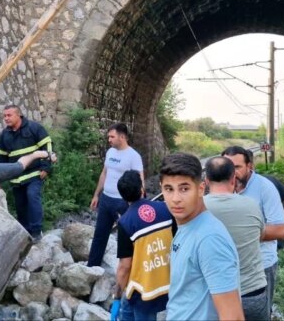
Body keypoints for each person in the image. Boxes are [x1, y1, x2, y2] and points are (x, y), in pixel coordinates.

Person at [160, 153, 245, 320]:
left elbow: (233, 316)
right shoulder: (187, 226)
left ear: (201, 189)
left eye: (184, 189)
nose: (176, 199)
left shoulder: (209, 239)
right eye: (169, 189)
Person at [204, 156, 269, 320]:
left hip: (215, 297)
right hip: (253, 293)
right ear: (233, 179)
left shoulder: (197, 208)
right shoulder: (251, 205)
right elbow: (260, 236)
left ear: (206, 180)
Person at [223, 146, 284, 316]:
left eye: (237, 167)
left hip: (260, 266)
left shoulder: (265, 188)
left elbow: (280, 230)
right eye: (228, 167)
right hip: (228, 265)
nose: (232, 172)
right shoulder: (220, 188)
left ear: (250, 166)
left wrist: (243, 235)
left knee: (260, 313)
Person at [115, 170, 174, 321]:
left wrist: (116, 296)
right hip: (167, 280)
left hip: (143, 289)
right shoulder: (165, 209)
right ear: (142, 189)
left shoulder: (125, 222)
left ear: (123, 197)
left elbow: (125, 266)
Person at [87, 123, 144, 267]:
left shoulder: (133, 156)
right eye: (108, 137)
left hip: (122, 203)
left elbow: (139, 181)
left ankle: (128, 270)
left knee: (126, 237)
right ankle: (92, 267)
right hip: (106, 199)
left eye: (112, 137)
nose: (109, 140)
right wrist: (96, 195)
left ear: (122, 137)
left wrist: (138, 204)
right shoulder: (110, 152)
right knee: (100, 235)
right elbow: (104, 173)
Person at [0, 104, 52, 240]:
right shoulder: (4, 136)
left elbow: (47, 146)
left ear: (18, 115)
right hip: (16, 177)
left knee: (32, 196)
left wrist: (46, 167)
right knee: (20, 204)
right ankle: (25, 234)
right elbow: (1, 159)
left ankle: (37, 231)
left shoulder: (34, 128)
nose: (6, 118)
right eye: (4, 116)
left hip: (34, 173)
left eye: (9, 115)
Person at [247, 149, 284, 250]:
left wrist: (283, 227)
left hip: (256, 242)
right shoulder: (270, 180)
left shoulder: (267, 182)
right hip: (270, 240)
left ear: (249, 165)